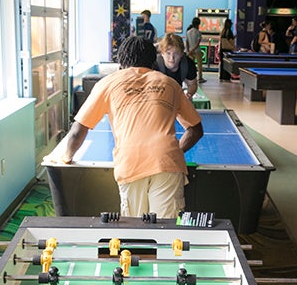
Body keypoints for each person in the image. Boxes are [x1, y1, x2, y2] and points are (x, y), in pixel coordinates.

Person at [60, 36, 203, 218]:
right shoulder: (170, 84)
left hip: (130, 162)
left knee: (134, 230)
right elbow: (196, 129)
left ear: (121, 61)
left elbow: (77, 132)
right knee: (167, 231)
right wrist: (172, 152)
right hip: (168, 163)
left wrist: (65, 158)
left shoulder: (107, 83)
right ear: (153, 60)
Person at [155, 33, 198, 99]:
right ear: (162, 53)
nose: (172, 58)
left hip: (177, 97)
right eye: (168, 53)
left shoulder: (187, 64)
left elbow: (192, 84)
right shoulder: (154, 65)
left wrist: (188, 94)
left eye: (176, 53)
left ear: (181, 54)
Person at [185, 17, 204, 82]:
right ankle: (200, 78)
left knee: (190, 65)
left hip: (190, 51)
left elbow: (187, 42)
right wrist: (193, 50)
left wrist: (188, 51)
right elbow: (197, 44)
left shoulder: (188, 32)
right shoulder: (198, 32)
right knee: (199, 65)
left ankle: (190, 77)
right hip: (197, 51)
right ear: (198, 24)